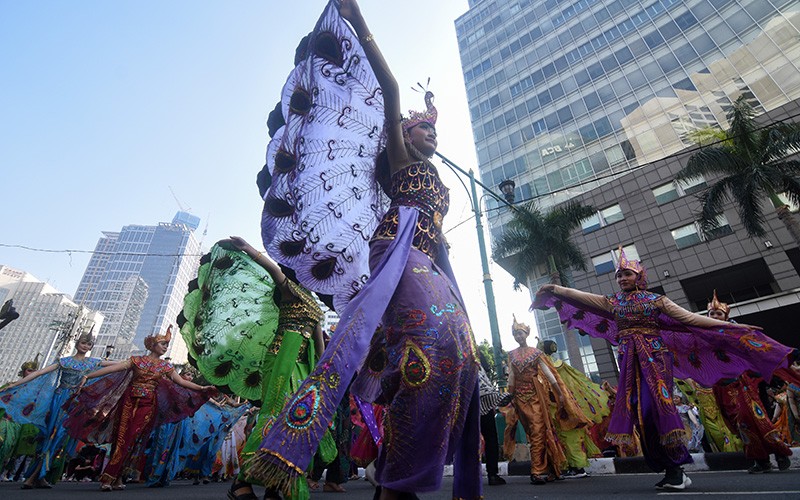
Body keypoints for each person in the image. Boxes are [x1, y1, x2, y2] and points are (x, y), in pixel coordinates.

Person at [246, 1, 483, 499]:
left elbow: (437, 236)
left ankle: (394, 478)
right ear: (403, 133)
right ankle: (392, 482)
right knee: (430, 348)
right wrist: (358, 21)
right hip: (395, 253)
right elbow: (393, 89)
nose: (432, 132)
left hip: (429, 263)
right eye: (424, 127)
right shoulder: (397, 158)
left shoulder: (440, 178)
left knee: (460, 355)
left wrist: (451, 274)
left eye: (436, 129)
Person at [533, 247, 797, 490]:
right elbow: (582, 298)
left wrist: (733, 327)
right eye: (618, 275)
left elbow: (691, 319)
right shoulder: (613, 302)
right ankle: (670, 468)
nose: (622, 278)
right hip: (629, 362)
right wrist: (555, 288)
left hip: (655, 362)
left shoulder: (657, 301)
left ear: (639, 276)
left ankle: (676, 468)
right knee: (638, 412)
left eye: (627, 274)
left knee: (656, 408)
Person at [63, 326, 215, 491]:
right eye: (163, 344)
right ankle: (111, 477)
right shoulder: (136, 360)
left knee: (133, 438)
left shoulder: (166, 367)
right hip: (128, 401)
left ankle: (116, 475)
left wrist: (201, 389)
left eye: (166, 345)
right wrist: (87, 376)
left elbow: (182, 382)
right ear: (153, 345)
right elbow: (113, 368)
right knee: (121, 436)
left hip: (148, 405)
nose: (165, 347)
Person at [0, 333, 115, 489]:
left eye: (89, 344)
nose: (85, 346)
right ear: (77, 343)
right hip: (59, 401)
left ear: (91, 348)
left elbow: (120, 364)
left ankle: (39, 476)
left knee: (59, 438)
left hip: (75, 404)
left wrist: (137, 362)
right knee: (51, 435)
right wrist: (15, 384)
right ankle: (35, 476)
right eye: (83, 342)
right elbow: (40, 373)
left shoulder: (94, 362)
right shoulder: (64, 361)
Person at [706, 292, 794, 473]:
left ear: (726, 316)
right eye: (711, 315)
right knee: (738, 425)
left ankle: (780, 452)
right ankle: (760, 460)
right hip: (721, 386)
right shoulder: (703, 335)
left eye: (719, 314)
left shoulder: (737, 332)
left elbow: (759, 348)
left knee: (753, 418)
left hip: (742, 383)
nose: (715, 317)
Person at [507, 317, 589, 484]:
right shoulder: (511, 355)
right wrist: (510, 397)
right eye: (515, 334)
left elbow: (550, 375)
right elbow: (511, 377)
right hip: (519, 399)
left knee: (538, 431)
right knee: (533, 433)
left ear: (526, 334)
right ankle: (553, 469)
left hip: (536, 397)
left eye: (520, 333)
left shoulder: (536, 353)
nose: (518, 337)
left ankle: (536, 471)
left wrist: (559, 394)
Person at [538, 339, 608, 478]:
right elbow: (574, 381)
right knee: (574, 436)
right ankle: (575, 467)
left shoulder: (544, 365)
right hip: (570, 404)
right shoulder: (561, 364)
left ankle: (577, 468)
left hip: (556, 407)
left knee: (566, 437)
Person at [477, 351, 505, 486]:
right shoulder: (477, 354)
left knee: (469, 439)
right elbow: (486, 376)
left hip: (466, 402)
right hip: (485, 401)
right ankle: (492, 474)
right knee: (490, 438)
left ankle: (469, 475)